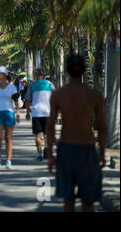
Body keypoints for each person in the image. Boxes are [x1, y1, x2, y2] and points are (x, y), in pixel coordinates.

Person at [47, 55, 107, 212]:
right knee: (88, 201)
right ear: (84, 70)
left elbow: (50, 126)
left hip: (66, 149)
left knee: (68, 200)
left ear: (67, 70)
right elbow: (102, 127)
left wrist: (51, 155)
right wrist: (102, 153)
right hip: (87, 149)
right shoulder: (94, 95)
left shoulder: (58, 94)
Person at [0, 67, 20, 169]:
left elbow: (16, 101)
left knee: (8, 138)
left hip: (9, 113)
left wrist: (18, 113)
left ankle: (8, 160)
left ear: (4, 75)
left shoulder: (12, 88)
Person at [25, 68, 55, 161]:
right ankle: (46, 148)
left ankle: (39, 154)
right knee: (46, 134)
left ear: (36, 75)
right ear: (44, 75)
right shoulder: (50, 84)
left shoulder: (32, 85)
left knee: (38, 135)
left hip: (36, 112)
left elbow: (27, 100)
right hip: (48, 112)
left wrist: (27, 112)